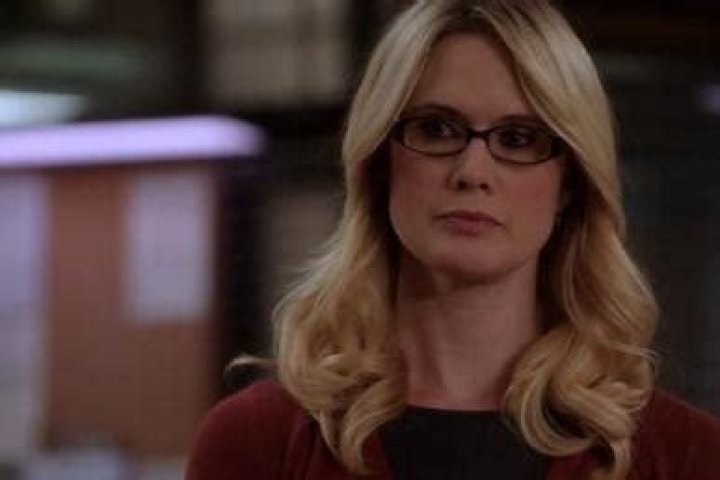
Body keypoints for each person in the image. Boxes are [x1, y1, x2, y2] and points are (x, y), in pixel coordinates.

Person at [186, 1, 720, 479]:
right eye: (437, 129)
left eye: (518, 139)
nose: (472, 172)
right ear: (381, 162)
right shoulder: (260, 442)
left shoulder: (683, 455)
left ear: (569, 184)